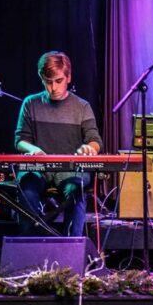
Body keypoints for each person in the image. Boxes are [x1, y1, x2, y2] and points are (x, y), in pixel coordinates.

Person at [14, 51, 102, 237]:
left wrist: (90, 148)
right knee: (27, 188)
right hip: (37, 168)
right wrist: (33, 149)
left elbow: (95, 140)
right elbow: (20, 140)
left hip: (70, 170)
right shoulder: (31, 103)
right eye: (48, 81)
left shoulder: (82, 106)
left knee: (76, 190)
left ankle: (72, 249)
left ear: (69, 77)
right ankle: (32, 250)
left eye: (59, 81)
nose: (53, 88)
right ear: (41, 78)